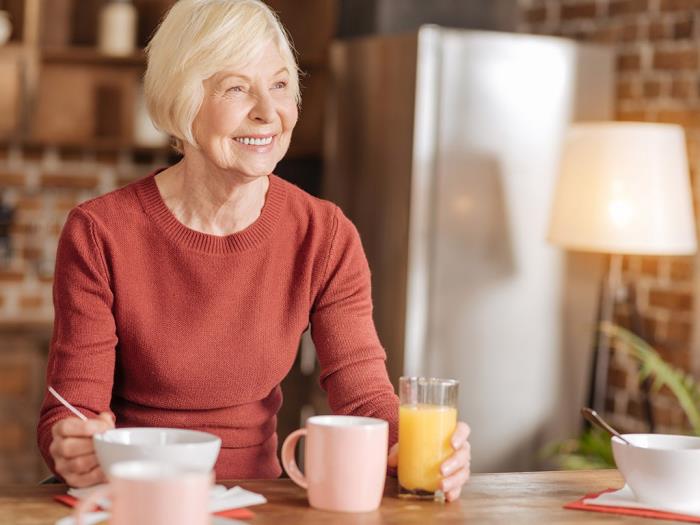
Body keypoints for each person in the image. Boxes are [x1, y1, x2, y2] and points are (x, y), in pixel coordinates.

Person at [37, 0, 471, 500]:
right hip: (134, 498)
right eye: (237, 87)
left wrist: (413, 448)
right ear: (182, 100)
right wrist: (72, 445)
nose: (269, 112)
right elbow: (71, 410)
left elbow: (362, 392)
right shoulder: (100, 231)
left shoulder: (324, 234)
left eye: (281, 84)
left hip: (257, 501)